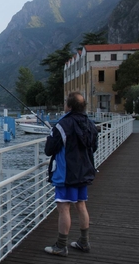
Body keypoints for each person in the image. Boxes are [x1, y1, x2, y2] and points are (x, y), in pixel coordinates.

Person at [44, 92, 98, 257]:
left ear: (69, 106)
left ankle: (61, 246)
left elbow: (49, 150)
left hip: (67, 174)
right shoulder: (91, 124)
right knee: (81, 205)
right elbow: (93, 147)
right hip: (85, 172)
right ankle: (84, 241)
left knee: (63, 207)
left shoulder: (62, 125)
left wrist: (51, 136)